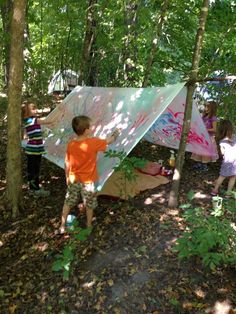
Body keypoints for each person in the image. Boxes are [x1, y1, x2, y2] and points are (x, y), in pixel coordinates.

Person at [59, 115, 120, 234]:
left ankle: (62, 226)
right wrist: (116, 132)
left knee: (68, 202)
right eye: (90, 127)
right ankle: (88, 226)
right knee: (89, 204)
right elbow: (109, 140)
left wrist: (67, 177)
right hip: (87, 181)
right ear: (86, 130)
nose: (92, 128)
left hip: (73, 179)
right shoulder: (93, 142)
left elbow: (67, 163)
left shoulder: (71, 144)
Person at [22, 101, 55, 196]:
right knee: (33, 170)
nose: (35, 110)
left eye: (35, 107)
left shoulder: (31, 121)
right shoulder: (31, 120)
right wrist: (59, 114)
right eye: (33, 108)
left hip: (36, 150)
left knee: (35, 169)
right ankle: (34, 190)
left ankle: (34, 188)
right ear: (26, 112)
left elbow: (29, 133)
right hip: (33, 150)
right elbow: (46, 121)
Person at [211, 119, 236, 197]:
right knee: (233, 177)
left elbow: (222, 153)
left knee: (222, 176)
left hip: (227, 162)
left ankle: (215, 190)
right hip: (235, 162)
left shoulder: (222, 141)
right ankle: (228, 193)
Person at [191, 101, 219, 171]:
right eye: (205, 107)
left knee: (205, 152)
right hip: (202, 136)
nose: (206, 108)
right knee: (200, 150)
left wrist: (205, 129)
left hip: (209, 137)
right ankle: (199, 164)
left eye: (208, 107)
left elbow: (214, 129)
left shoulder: (213, 118)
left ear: (212, 108)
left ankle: (204, 166)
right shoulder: (204, 116)